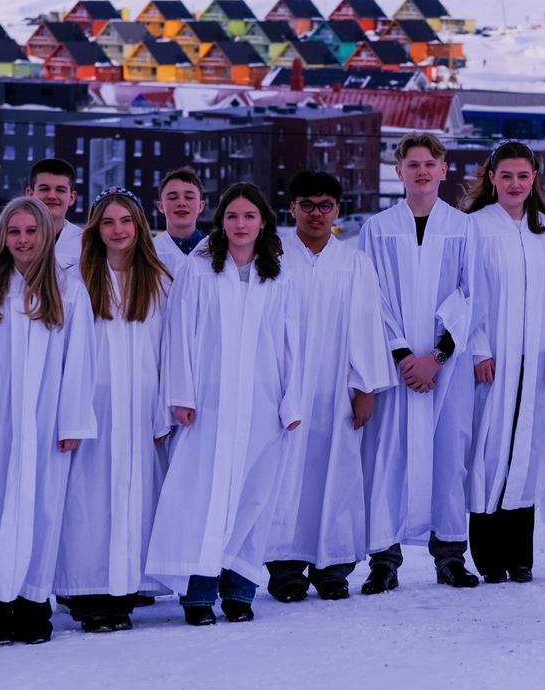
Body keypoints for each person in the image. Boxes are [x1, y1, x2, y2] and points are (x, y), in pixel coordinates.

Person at [145, 183, 303, 625]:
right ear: (221, 220)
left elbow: (292, 345)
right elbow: (179, 335)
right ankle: (198, 595)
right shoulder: (199, 271)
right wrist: (182, 396)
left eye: (249, 216)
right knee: (202, 499)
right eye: (232, 216)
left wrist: (291, 403)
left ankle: (239, 592)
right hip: (208, 407)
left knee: (252, 499)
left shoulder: (279, 275)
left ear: (263, 222)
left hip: (262, 405)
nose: (240, 224)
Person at [0, 197, 96, 645]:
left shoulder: (67, 287)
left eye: (32, 231)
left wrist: (71, 422)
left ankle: (32, 605)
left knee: (42, 510)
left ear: (46, 235)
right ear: (3, 236)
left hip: (46, 424)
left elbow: (79, 360)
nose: (24, 240)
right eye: (15, 232)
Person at [357, 133, 480, 593]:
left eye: (430, 163)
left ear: (444, 170)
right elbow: (372, 299)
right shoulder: (377, 228)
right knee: (387, 457)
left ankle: (450, 556)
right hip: (395, 368)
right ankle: (384, 560)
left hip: (447, 367)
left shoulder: (464, 228)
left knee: (450, 460)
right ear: (399, 171)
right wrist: (405, 355)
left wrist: (438, 356)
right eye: (413, 164)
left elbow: (472, 296)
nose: (422, 171)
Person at [264, 171, 394, 603]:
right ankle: (284, 569)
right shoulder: (275, 258)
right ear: (292, 208)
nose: (316, 214)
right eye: (307, 205)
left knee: (336, 474)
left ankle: (332, 568)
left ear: (337, 210)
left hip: (338, 388)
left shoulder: (354, 262)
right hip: (286, 387)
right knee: (285, 478)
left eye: (325, 206)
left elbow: (367, 327)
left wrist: (367, 387)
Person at [462, 141, 545, 584]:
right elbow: (466, 294)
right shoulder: (474, 227)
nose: (515, 183)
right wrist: (479, 349)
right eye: (506, 175)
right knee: (490, 449)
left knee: (527, 449)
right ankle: (489, 555)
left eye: (523, 176)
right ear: (492, 178)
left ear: (534, 180)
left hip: (538, 360)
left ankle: (520, 554)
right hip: (494, 359)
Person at [55, 187, 171, 632]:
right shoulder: (76, 278)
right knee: (87, 500)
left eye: (126, 221)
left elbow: (168, 350)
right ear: (95, 229)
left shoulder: (157, 280)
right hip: (92, 405)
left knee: (133, 497)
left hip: (139, 407)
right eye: (108, 222)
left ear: (139, 227)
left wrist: (163, 409)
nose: (118, 230)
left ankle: (123, 590)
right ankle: (86, 592)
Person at [0, 159, 82, 276]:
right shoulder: (9, 240)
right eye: (44, 189)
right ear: (30, 194)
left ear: (71, 197)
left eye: (60, 190)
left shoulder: (85, 243)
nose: (52, 196)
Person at [155, 166, 208, 257]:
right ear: (161, 206)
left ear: (201, 206)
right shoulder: (149, 252)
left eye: (189, 197)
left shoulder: (215, 252)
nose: (181, 203)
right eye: (173, 197)